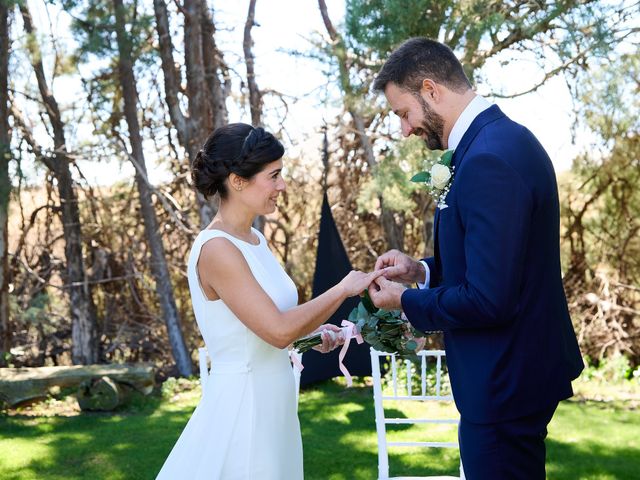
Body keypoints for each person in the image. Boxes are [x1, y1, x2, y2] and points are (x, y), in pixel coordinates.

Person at [367, 38, 584, 479]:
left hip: (503, 383)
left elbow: (489, 298)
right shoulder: (498, 142)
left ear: (431, 90)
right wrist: (421, 270)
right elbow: (495, 262)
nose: (405, 130)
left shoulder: (487, 159)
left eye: (403, 113)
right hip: (512, 378)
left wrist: (404, 302)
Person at [156, 123, 384, 480]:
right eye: (274, 175)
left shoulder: (256, 240)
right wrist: (342, 289)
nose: (283, 186)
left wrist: (311, 335)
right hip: (245, 406)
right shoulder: (217, 249)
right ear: (237, 180)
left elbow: (268, 327)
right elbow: (276, 331)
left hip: (276, 400)